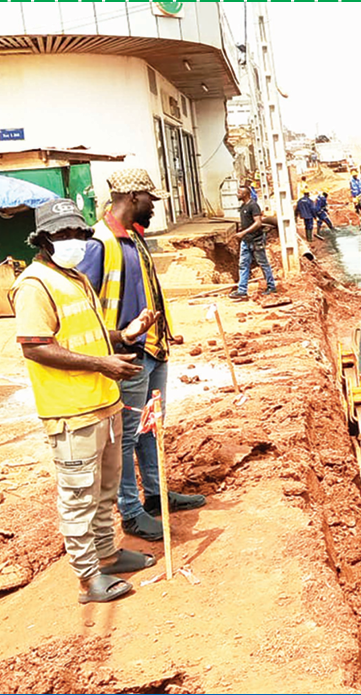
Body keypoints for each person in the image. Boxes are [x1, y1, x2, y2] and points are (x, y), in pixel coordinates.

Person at [11, 198, 161, 603]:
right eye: (63, 234)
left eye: (78, 233)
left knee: (105, 489)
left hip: (103, 401)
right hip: (70, 411)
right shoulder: (34, 285)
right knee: (78, 495)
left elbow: (91, 331)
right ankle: (87, 576)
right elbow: (37, 347)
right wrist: (103, 364)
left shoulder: (75, 277)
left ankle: (107, 554)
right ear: (43, 239)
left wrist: (126, 335)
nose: (74, 240)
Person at [79, 169, 206, 543]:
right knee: (126, 436)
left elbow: (146, 290)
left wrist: (164, 331)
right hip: (125, 355)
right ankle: (131, 511)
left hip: (152, 348)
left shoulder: (132, 237)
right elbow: (86, 306)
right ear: (132, 196)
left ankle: (155, 495)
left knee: (151, 428)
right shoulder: (100, 243)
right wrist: (114, 342)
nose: (154, 206)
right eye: (151, 199)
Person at [229, 185, 277, 301]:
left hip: (256, 241)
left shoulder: (253, 206)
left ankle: (271, 286)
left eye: (239, 192)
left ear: (245, 194)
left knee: (263, 263)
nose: (237, 194)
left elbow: (258, 223)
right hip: (246, 241)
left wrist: (243, 232)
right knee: (243, 265)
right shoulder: (243, 206)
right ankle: (242, 291)